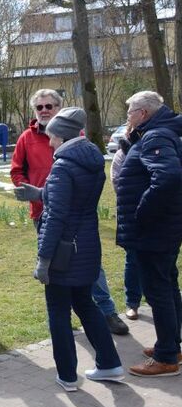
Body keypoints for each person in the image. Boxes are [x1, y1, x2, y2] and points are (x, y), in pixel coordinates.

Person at [16, 107, 124, 391]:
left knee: (58, 312)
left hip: (64, 250)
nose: (49, 142)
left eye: (52, 137)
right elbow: (75, 200)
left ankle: (67, 375)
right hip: (86, 245)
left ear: (62, 136)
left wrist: (43, 258)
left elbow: (57, 217)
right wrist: (39, 193)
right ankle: (110, 363)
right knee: (86, 304)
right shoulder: (90, 159)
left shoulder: (63, 165)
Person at [116, 91, 182, 377]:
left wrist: (142, 212)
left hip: (154, 230)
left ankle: (167, 358)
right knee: (167, 285)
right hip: (163, 228)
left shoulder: (155, 136)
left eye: (130, 112)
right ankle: (172, 344)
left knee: (158, 290)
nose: (128, 116)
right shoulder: (158, 133)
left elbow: (167, 177)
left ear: (143, 113)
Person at [110, 129, 144, 321]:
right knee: (133, 259)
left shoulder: (160, 147)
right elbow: (117, 183)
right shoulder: (123, 153)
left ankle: (161, 303)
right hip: (131, 215)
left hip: (158, 216)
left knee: (160, 262)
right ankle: (133, 303)